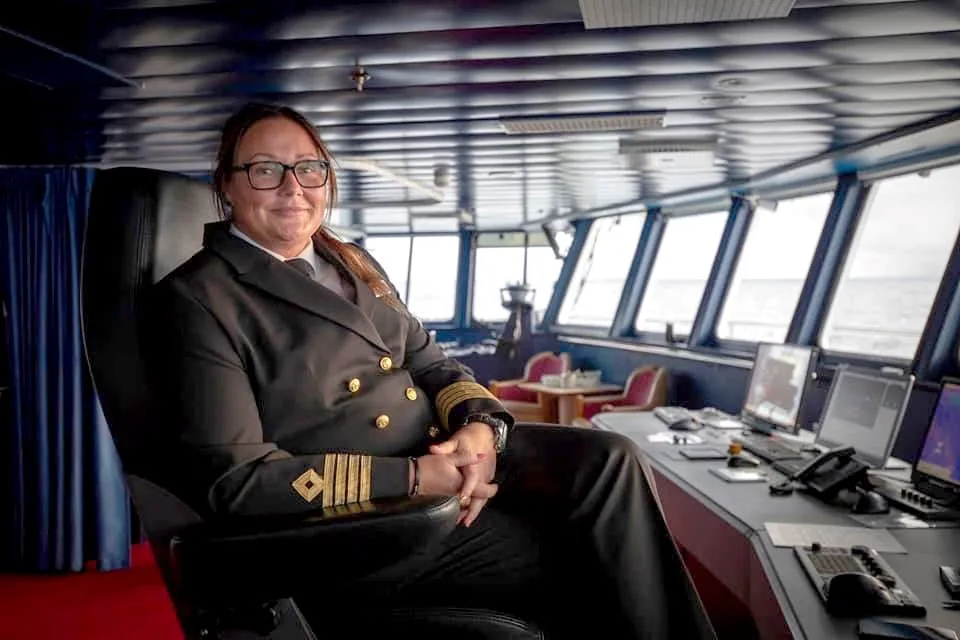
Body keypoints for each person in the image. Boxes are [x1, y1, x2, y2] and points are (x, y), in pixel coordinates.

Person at [143, 101, 716, 640]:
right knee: (579, 549)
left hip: (437, 459)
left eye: (309, 168)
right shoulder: (199, 299)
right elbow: (237, 482)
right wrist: (416, 479)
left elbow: (428, 362)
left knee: (610, 458)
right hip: (359, 528)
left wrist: (481, 430)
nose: (293, 188)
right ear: (227, 183)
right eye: (266, 170)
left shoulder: (350, 260)